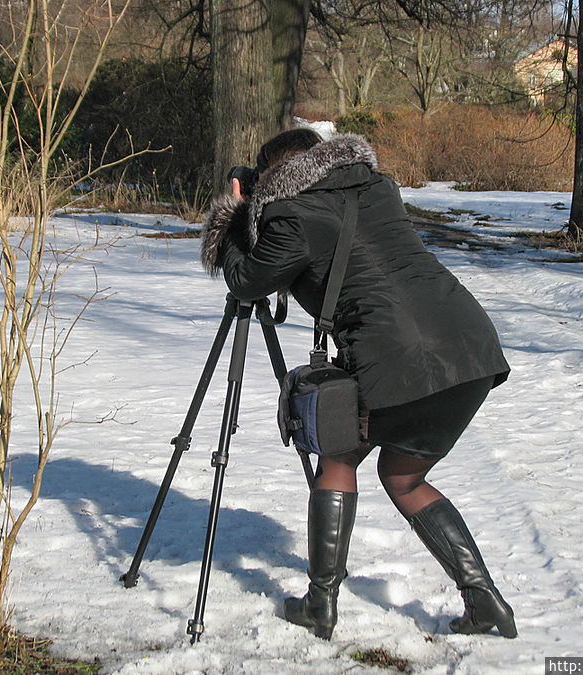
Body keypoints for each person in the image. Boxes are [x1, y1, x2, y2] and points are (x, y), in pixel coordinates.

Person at [201, 128, 517, 641]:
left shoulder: (291, 216)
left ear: (274, 179)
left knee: (338, 459)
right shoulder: (378, 188)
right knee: (403, 476)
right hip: (469, 350)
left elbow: (245, 280)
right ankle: (485, 602)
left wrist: (234, 215)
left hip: (400, 360)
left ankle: (320, 605)